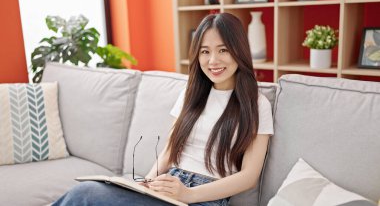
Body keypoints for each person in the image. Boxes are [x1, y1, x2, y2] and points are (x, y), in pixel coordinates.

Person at [52, 12, 273, 206]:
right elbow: (169, 152)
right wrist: (145, 185)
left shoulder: (256, 104)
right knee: (85, 194)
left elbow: (248, 176)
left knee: (86, 194)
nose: (213, 60)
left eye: (223, 50)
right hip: (168, 187)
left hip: (204, 198)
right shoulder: (191, 94)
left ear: (239, 51)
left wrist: (188, 194)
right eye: (204, 52)